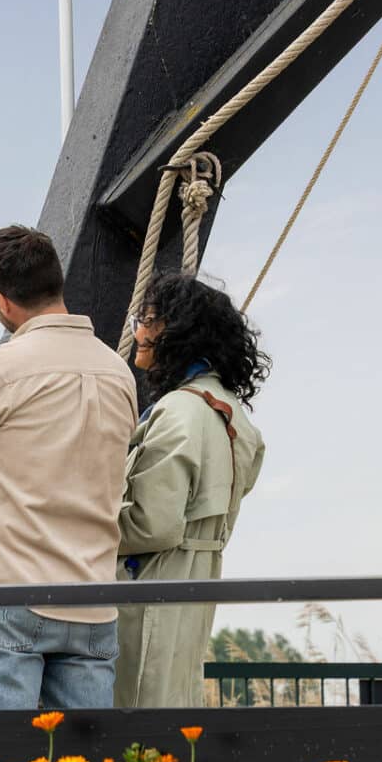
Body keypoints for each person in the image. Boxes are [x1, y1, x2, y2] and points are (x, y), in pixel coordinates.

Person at [0, 226, 138, 712]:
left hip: (10, 588)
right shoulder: (119, 373)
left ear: (2, 302)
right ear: (56, 281)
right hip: (91, 595)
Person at [115, 273, 269, 707]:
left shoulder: (177, 410)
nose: (138, 333)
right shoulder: (234, 415)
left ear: (173, 330)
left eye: (145, 320)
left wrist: (77, 525)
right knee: (176, 709)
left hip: (147, 586)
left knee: (133, 717)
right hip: (198, 583)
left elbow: (151, 523)